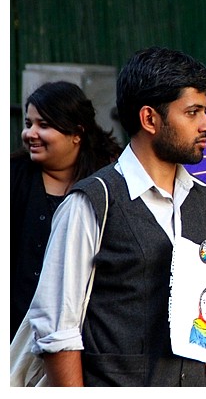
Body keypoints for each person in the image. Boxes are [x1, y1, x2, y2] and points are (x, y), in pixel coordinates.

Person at [28, 47, 206, 386]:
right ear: (149, 119)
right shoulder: (93, 202)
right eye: (193, 112)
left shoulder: (203, 201)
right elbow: (57, 332)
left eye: (205, 111)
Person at [10, 81, 122, 342]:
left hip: (84, 335)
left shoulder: (107, 183)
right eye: (29, 124)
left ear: (77, 133)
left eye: (44, 125)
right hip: (17, 331)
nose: (31, 133)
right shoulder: (13, 176)